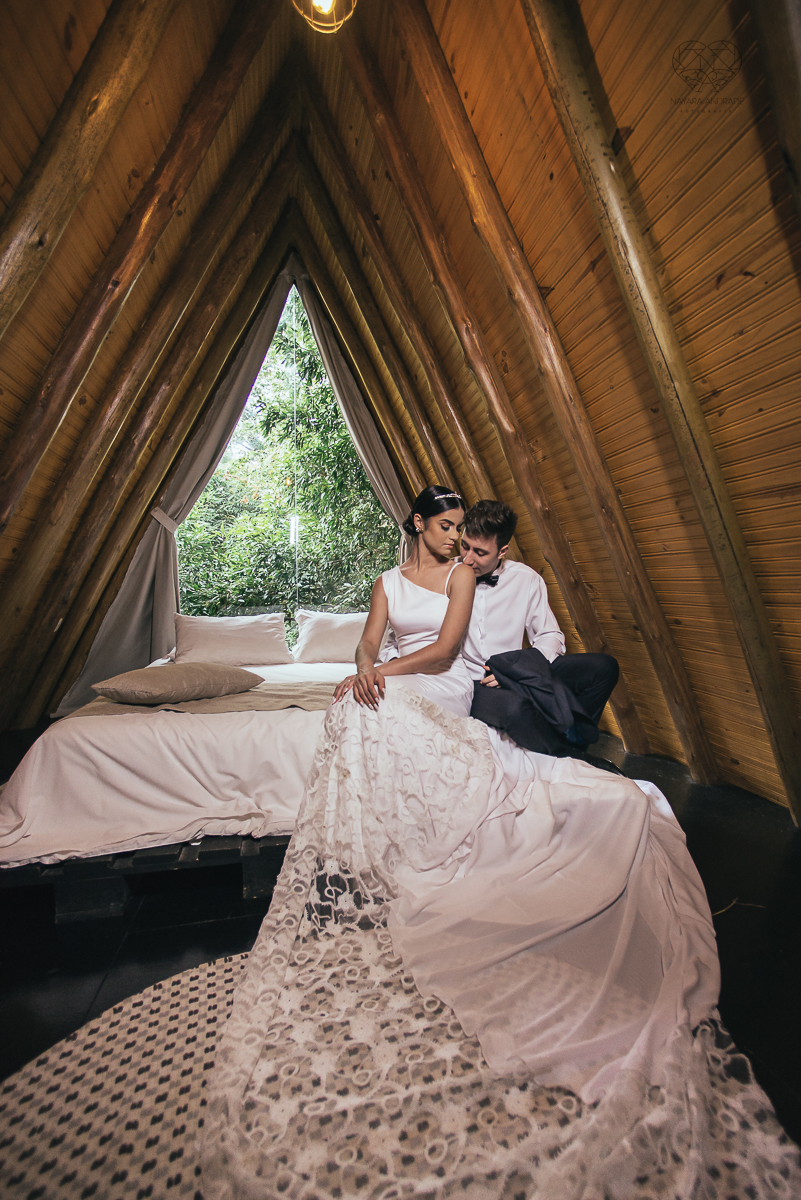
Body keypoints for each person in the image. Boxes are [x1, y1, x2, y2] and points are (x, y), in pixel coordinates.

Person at [460, 499, 620, 760]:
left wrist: (518, 671)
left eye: (479, 552)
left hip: (520, 673)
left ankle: (574, 740)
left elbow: (550, 636)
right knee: (514, 709)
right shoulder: (447, 577)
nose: (467, 559)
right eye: (465, 545)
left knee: (603, 668)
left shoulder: (527, 579)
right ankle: (574, 759)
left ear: (502, 551)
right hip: (474, 681)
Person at [334, 484, 475, 718]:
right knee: (351, 699)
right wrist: (364, 670)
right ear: (419, 522)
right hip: (401, 675)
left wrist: (378, 671)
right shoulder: (386, 582)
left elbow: (445, 649)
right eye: (445, 526)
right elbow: (368, 643)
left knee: (384, 703)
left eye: (458, 528)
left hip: (444, 681)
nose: (455, 536)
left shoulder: (460, 575)